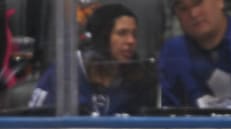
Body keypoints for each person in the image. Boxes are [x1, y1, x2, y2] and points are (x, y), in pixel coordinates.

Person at [28, 3, 157, 115]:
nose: (131, 41)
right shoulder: (63, 73)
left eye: (134, 34)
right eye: (122, 33)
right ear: (102, 37)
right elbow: (35, 123)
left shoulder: (139, 79)